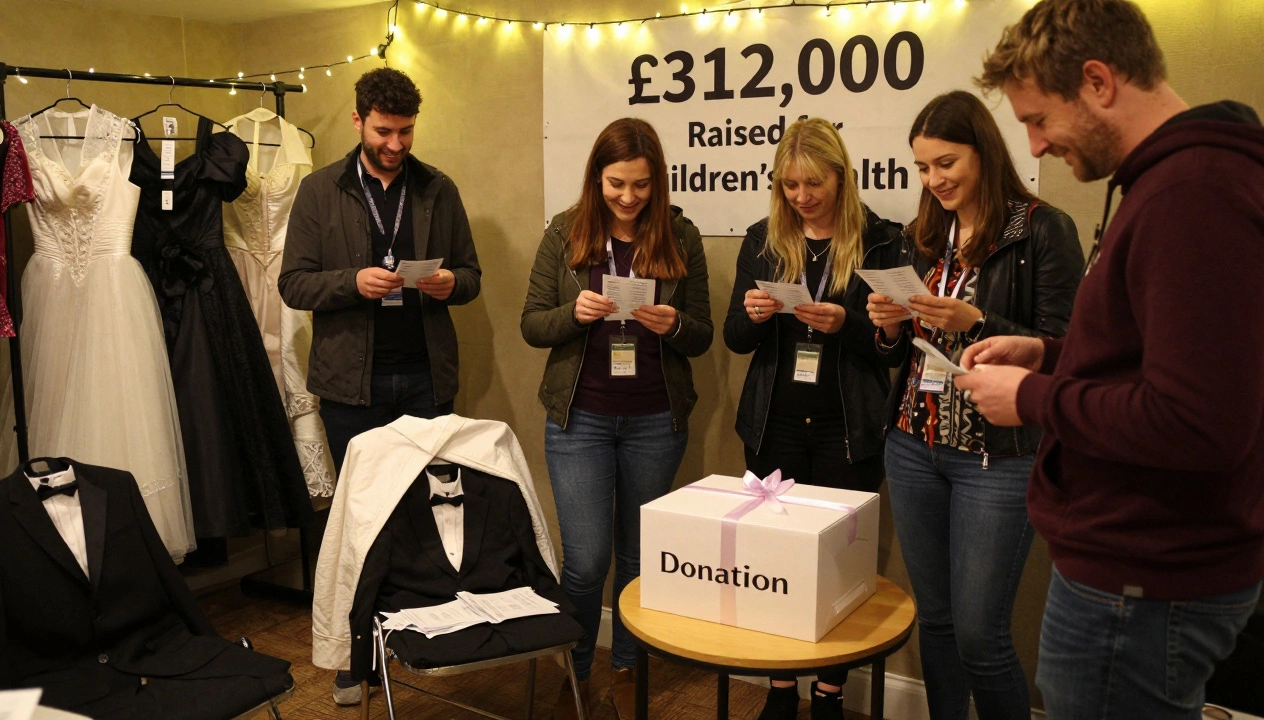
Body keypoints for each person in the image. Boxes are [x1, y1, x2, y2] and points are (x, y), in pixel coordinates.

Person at [956, 1, 1264, 718]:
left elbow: (1198, 421)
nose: (1035, 145)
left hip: (1145, 581)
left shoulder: (1194, 195)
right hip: (1141, 571)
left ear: (1098, 83)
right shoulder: (1174, 183)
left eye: (1039, 119)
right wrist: (1049, 354)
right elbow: (1155, 356)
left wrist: (1031, 398)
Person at [865, 91, 1083, 719]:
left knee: (981, 638)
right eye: (923, 168)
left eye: (946, 163)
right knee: (935, 621)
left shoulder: (1041, 229)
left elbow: (1067, 350)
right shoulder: (925, 234)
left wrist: (978, 319)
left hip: (997, 457)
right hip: (913, 444)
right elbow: (900, 353)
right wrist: (889, 326)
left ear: (983, 153)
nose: (934, 181)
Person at [278, 67, 482, 706]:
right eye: (384, 131)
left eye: (406, 132)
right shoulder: (320, 190)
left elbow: (472, 275)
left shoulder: (437, 188)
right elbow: (293, 283)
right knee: (360, 523)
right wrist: (352, 283)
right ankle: (354, 656)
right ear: (359, 120)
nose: (396, 144)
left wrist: (451, 284)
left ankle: (422, 638)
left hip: (425, 378)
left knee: (429, 514)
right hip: (352, 385)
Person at [521, 118, 712, 720]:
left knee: (638, 558)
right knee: (586, 561)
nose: (628, 197)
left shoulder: (681, 235)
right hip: (580, 419)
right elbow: (531, 324)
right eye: (616, 184)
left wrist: (673, 325)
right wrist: (573, 314)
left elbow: (703, 334)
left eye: (641, 185)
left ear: (658, 181)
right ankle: (575, 673)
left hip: (656, 419)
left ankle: (628, 670)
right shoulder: (564, 233)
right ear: (595, 179)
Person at [724, 117, 905, 720]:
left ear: (841, 177)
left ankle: (829, 691)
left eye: (813, 184)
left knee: (838, 565)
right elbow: (734, 338)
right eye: (789, 185)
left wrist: (848, 325)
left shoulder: (881, 240)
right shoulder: (763, 238)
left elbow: (895, 350)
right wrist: (754, 316)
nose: (801, 196)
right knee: (775, 559)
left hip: (847, 430)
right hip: (773, 425)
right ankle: (781, 687)